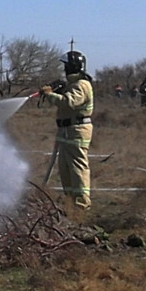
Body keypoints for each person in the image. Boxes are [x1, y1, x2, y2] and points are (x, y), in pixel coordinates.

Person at [40, 50, 95, 212]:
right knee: (65, 167)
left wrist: (51, 95)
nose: (64, 69)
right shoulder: (72, 84)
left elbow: (69, 102)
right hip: (67, 130)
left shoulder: (82, 85)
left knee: (77, 167)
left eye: (66, 66)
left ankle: (82, 204)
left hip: (77, 130)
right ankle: (70, 203)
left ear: (72, 66)